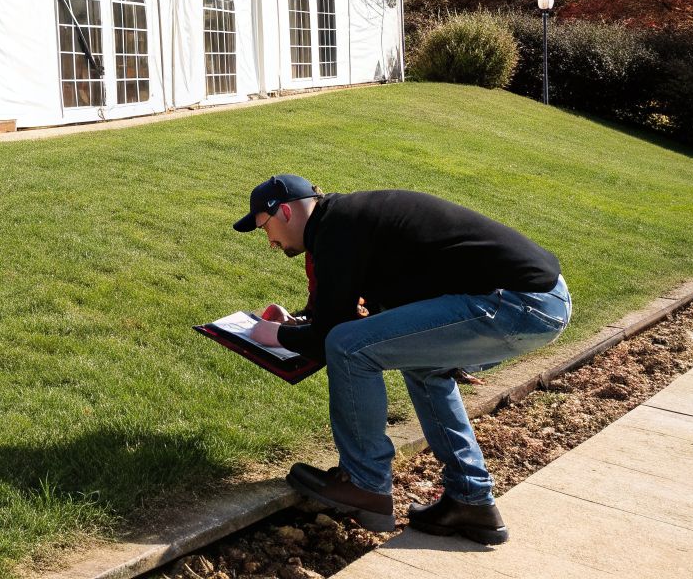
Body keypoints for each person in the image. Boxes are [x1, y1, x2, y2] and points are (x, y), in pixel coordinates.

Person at [233, 174, 570, 543]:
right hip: (537, 301)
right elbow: (339, 313)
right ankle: (472, 501)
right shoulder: (344, 220)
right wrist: (298, 322)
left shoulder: (337, 228)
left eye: (265, 228)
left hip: (516, 302)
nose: (270, 243)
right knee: (423, 367)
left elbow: (331, 334)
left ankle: (364, 483)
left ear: (283, 211)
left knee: (348, 347)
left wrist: (275, 335)